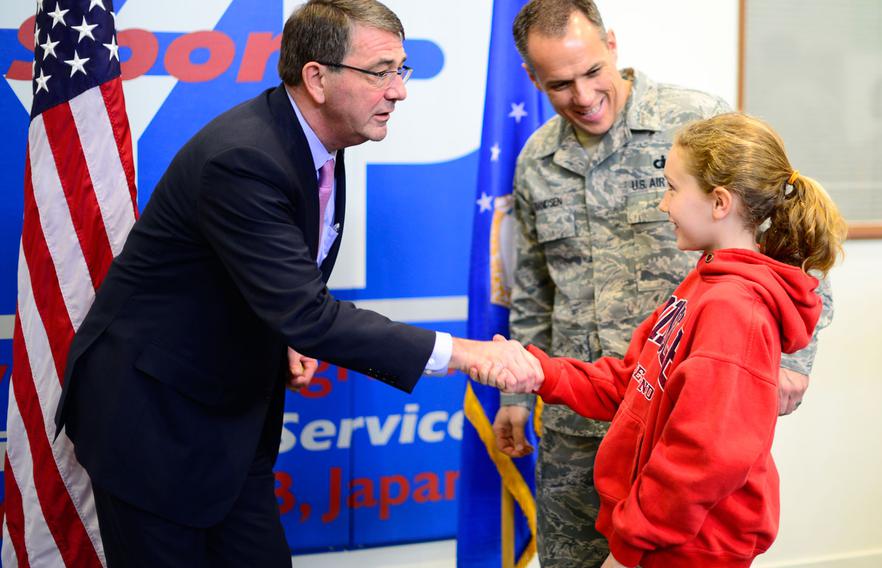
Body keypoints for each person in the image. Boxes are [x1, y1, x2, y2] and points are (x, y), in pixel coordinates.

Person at [53, 1, 540, 566]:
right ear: (317, 77)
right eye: (380, 72)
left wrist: (281, 329)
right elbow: (308, 312)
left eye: (401, 70)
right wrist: (464, 353)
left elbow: (269, 276)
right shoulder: (244, 158)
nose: (399, 91)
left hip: (228, 424)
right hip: (152, 423)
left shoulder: (322, 142)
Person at [494, 1, 835, 565]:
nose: (582, 95)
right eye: (559, 83)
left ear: (612, 44)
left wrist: (793, 362)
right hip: (580, 417)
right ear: (532, 79)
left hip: (677, 425)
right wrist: (514, 392)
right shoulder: (537, 159)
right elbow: (531, 287)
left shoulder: (694, 125)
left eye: (592, 72)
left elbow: (793, 235)